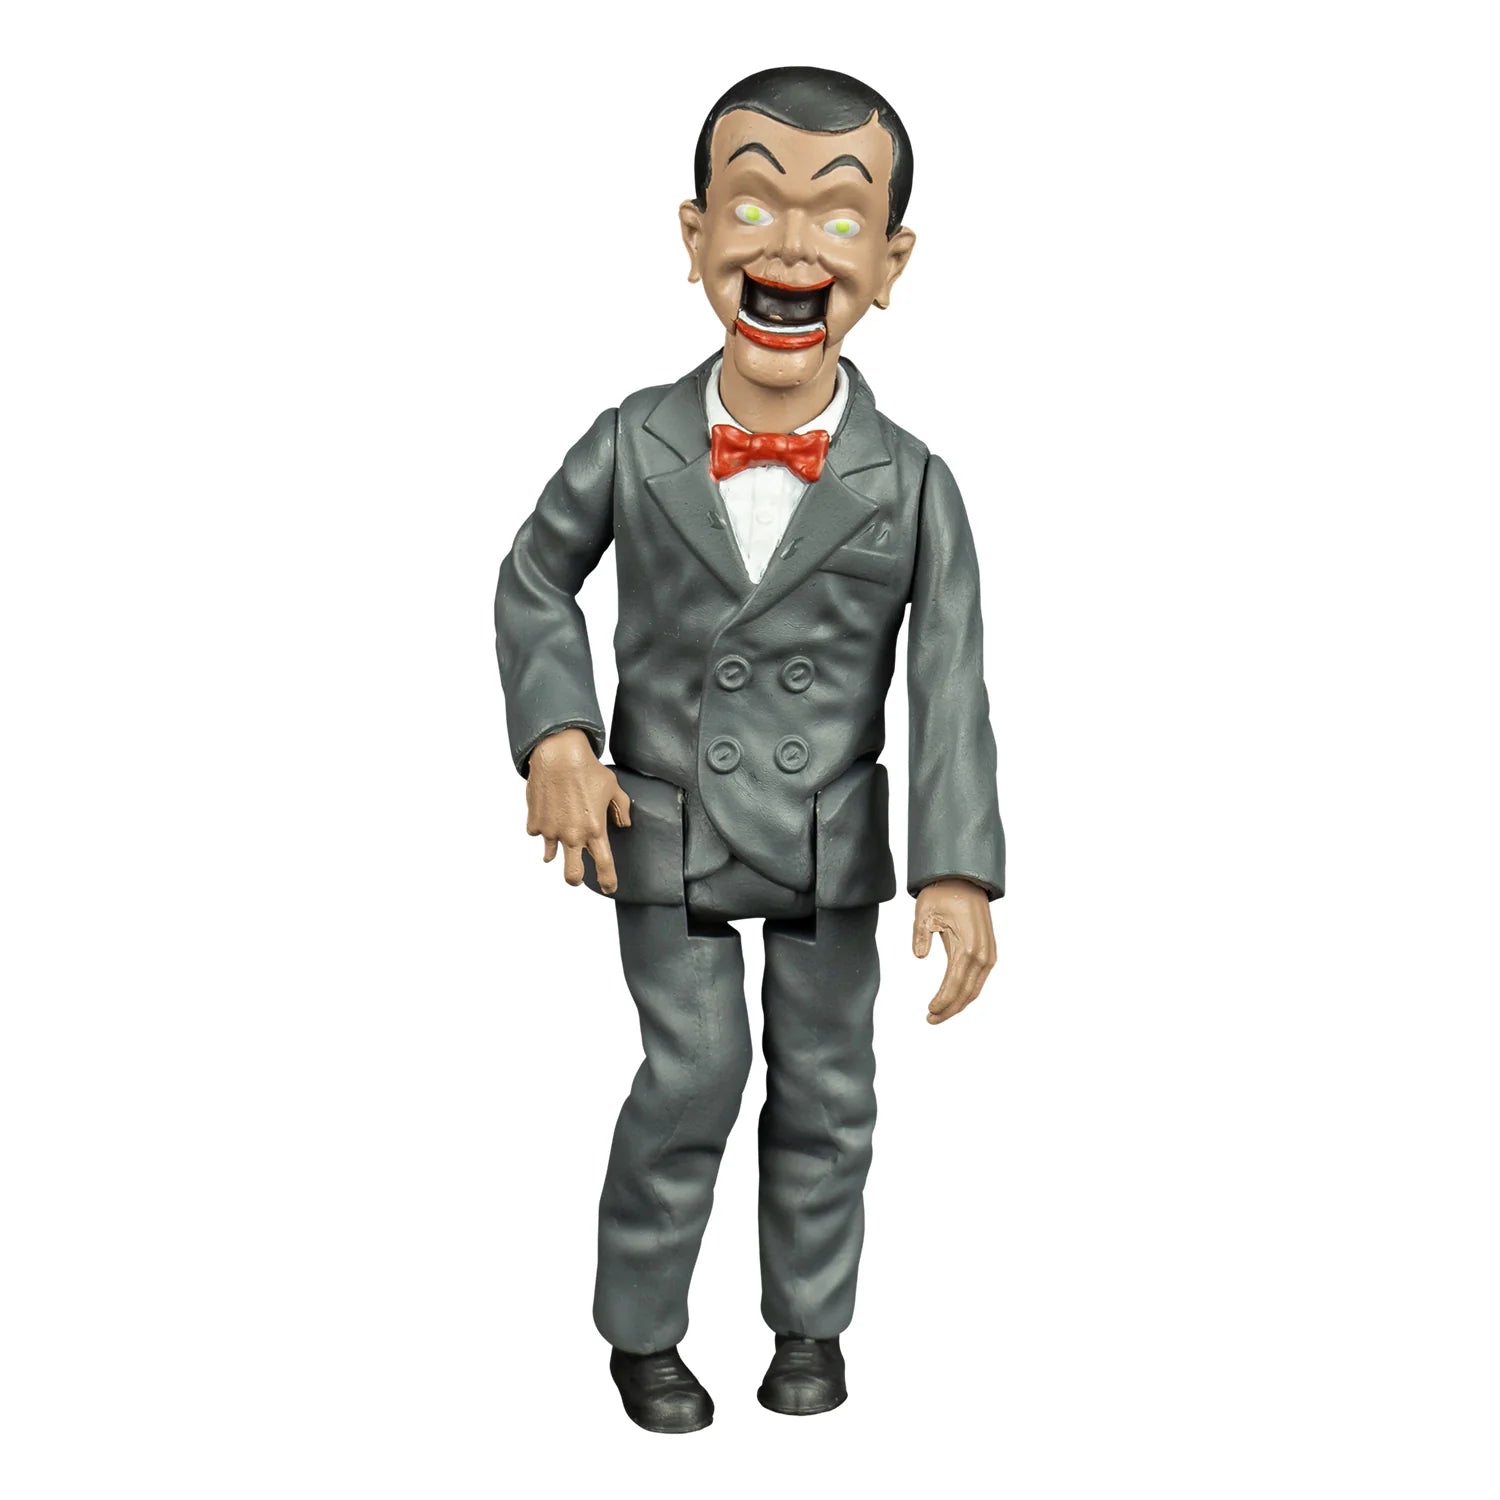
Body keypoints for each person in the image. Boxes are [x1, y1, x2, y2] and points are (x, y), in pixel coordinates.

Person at [494, 66, 1005, 1433]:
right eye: (753, 203)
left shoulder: (915, 482)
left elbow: (950, 681)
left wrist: (957, 869)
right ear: (694, 234)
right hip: (662, 826)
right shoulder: (634, 441)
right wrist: (558, 733)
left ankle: (810, 1326)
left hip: (828, 837)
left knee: (832, 1090)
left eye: (838, 219)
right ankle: (643, 1334)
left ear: (889, 263)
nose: (790, 247)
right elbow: (535, 579)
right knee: (695, 1072)